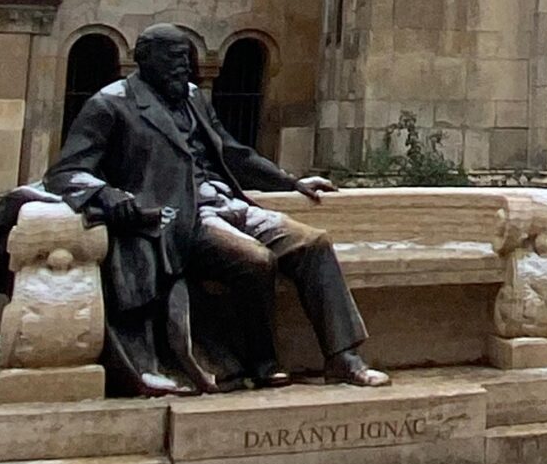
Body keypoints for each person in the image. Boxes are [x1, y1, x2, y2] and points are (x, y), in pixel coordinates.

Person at [45, 23, 386, 396]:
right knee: (254, 260)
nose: (184, 68)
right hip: (180, 218)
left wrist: (292, 182)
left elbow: (233, 152)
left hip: (225, 201)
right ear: (144, 60)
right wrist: (110, 196)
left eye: (186, 59)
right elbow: (66, 173)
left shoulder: (193, 97)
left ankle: (344, 358)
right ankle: (262, 362)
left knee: (313, 242)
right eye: (173, 59)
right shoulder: (110, 104)